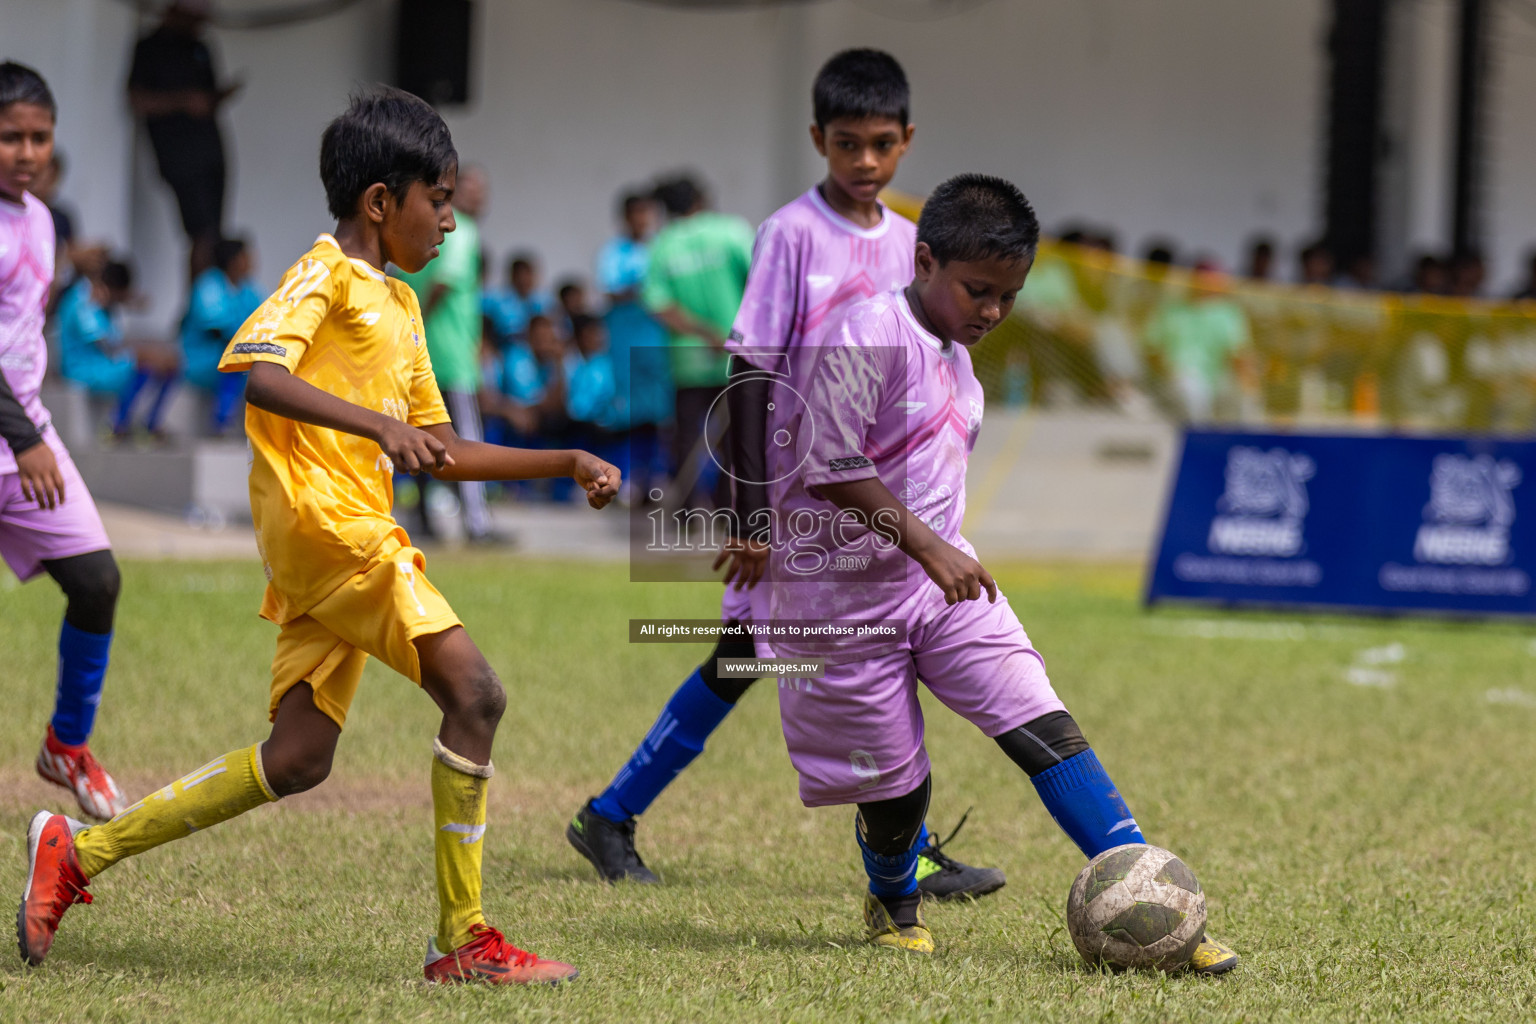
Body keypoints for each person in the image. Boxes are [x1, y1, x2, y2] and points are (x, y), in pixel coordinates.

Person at [19, 85, 621, 986]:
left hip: (345, 540)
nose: (451, 224)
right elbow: (258, 371)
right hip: (331, 529)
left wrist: (564, 458)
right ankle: (462, 940)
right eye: (441, 200)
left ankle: (80, 851)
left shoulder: (405, 308)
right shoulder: (326, 273)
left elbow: (443, 450)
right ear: (382, 202)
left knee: (297, 760)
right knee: (477, 695)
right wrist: (375, 429)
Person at [771, 173, 1237, 972]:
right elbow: (830, 465)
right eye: (977, 290)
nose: (991, 311)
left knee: (1045, 729)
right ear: (924, 263)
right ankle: (890, 894)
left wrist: (937, 551)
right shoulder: (864, 337)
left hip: (945, 586)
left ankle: (1157, 902)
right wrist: (926, 544)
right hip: (842, 602)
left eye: (1008, 297)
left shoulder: (958, 357)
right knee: (896, 788)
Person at [567, 49, 1003, 902]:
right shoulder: (790, 236)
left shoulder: (921, 245)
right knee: (746, 659)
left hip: (874, 508)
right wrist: (753, 516)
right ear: (818, 139)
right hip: (805, 499)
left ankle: (893, 847)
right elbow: (751, 379)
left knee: (860, 659)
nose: (866, 162)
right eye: (848, 144)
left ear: (908, 140)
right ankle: (610, 813)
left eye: (882, 144)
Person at [0, 62, 130, 824]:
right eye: (10, 136)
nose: (25, 151)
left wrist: (27, 427)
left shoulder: (45, 221)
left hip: (23, 438)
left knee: (96, 581)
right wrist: (26, 436)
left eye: (38, 137)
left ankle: (66, 745)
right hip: (23, 439)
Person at [395, 164, 496, 543]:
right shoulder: (463, 232)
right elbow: (442, 285)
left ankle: (421, 517)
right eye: (471, 189)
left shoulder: (413, 230)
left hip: (416, 355)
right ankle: (477, 523)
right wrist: (419, 324)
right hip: (450, 356)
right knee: (465, 439)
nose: (479, 197)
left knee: (418, 437)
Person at [643, 173, 753, 510]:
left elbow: (658, 305)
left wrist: (704, 335)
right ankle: (727, 511)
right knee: (736, 441)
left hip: (686, 360)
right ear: (700, 200)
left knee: (687, 438)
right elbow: (763, 284)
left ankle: (687, 512)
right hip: (738, 356)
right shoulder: (732, 233)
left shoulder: (663, 245)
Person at [126, 0, 239, 278]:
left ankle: (209, 308)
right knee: (201, 234)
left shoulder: (200, 46)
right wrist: (182, 102)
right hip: (179, 155)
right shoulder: (150, 47)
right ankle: (199, 314)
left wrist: (215, 99)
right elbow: (137, 100)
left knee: (214, 233)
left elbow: (208, 97)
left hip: (210, 149)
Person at [596, 190, 670, 500]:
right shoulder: (614, 252)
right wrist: (644, 289)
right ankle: (621, 479)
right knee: (625, 413)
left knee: (657, 415)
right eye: (636, 214)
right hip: (624, 344)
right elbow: (611, 290)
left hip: (655, 344)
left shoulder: (660, 250)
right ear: (625, 218)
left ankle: (651, 480)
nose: (642, 220)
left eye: (647, 213)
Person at [57, 259, 180, 439]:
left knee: (170, 363)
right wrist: (142, 352)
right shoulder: (82, 299)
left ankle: (150, 424)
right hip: (81, 369)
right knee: (144, 363)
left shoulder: (100, 299)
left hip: (102, 365)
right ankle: (117, 424)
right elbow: (106, 345)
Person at [180, 235, 262, 434]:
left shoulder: (248, 289)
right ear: (234, 260)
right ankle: (221, 426)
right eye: (246, 256)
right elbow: (217, 330)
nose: (251, 260)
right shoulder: (209, 285)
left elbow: (265, 322)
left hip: (234, 356)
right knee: (235, 362)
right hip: (201, 359)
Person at [482, 252, 551, 351]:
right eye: (521, 275)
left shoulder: (541, 304)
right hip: (504, 354)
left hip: (534, 358)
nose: (525, 280)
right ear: (512, 276)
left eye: (529, 275)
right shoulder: (496, 301)